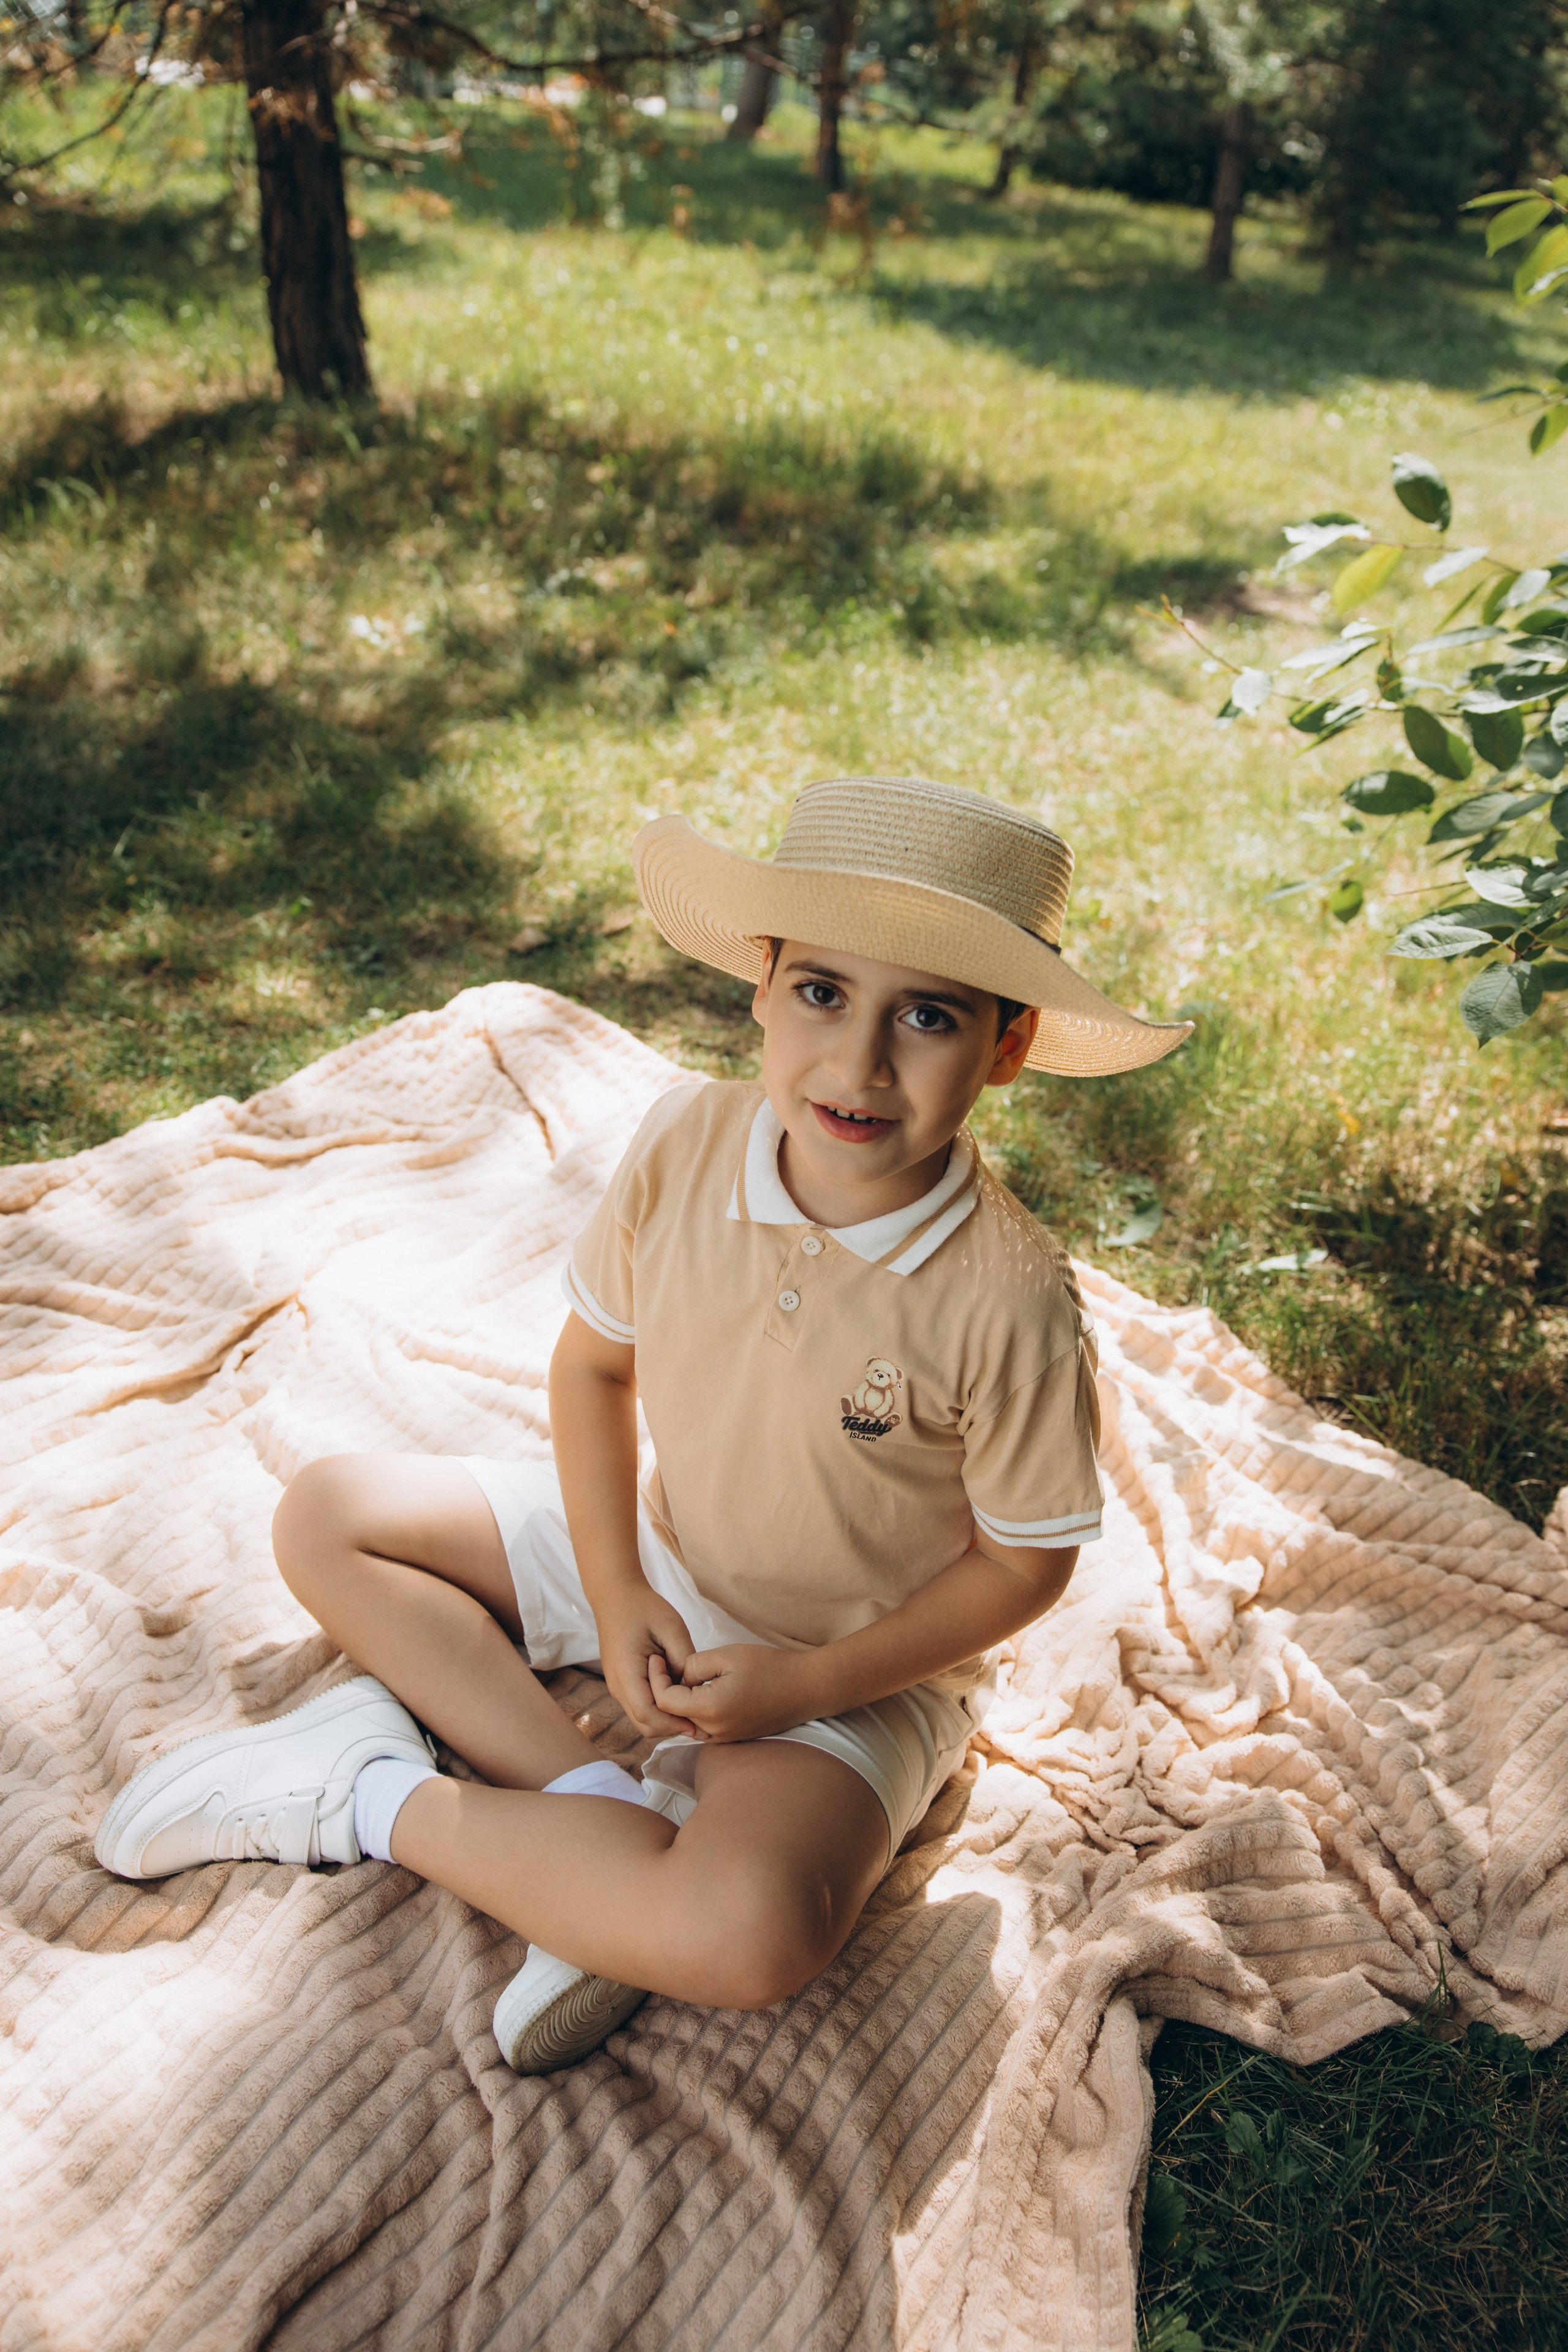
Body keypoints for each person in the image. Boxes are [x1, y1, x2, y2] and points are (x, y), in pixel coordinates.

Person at [96, 777, 1191, 2072]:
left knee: (751, 1930)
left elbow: (1024, 1564)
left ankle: (374, 1799)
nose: (856, 1063)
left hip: (852, 1661)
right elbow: (593, 1375)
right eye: (822, 994)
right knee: (326, 1513)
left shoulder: (1006, 1295)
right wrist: (615, 1588)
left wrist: (805, 1685)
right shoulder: (685, 1142)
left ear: (1004, 1048)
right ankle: (586, 1810)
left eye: (929, 1017)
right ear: (760, 985)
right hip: (663, 1555)